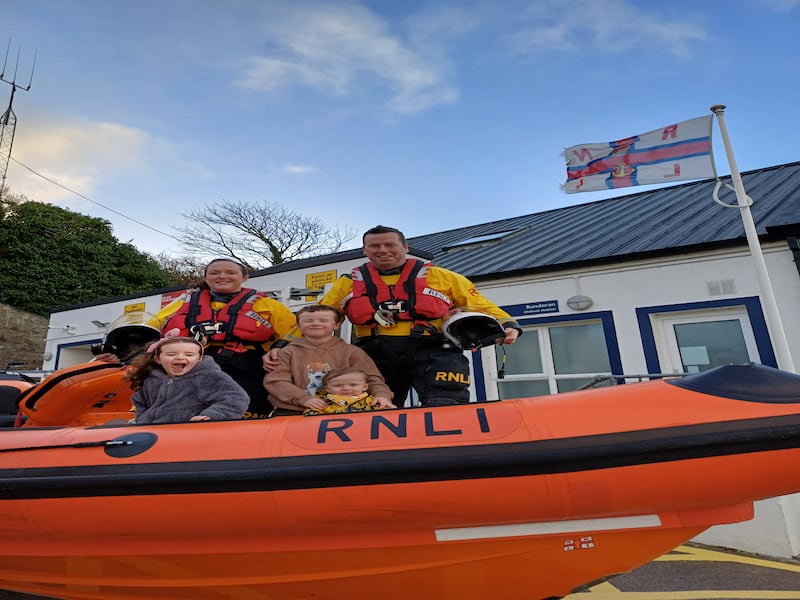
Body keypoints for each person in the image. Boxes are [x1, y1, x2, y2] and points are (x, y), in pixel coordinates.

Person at [267, 225, 521, 407]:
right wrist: (282, 345)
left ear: (405, 247)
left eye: (390, 244)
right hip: (375, 353)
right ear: (365, 250)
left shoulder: (443, 277)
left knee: (445, 400)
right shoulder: (346, 284)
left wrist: (509, 324)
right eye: (374, 246)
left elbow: (479, 303)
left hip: (433, 348)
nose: (382, 250)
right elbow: (316, 319)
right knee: (374, 403)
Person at [153, 258, 297, 419]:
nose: (222, 276)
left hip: (246, 365)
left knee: (246, 410)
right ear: (206, 278)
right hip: (192, 363)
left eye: (230, 272)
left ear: (244, 278)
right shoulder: (184, 302)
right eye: (214, 273)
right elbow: (150, 327)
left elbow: (294, 334)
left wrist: (279, 348)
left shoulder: (268, 305)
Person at [265, 305, 394, 415]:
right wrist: (303, 399)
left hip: (348, 411)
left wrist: (381, 395)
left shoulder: (353, 352)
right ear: (298, 326)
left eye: (323, 320)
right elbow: (276, 382)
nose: (315, 324)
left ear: (337, 325)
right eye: (308, 321)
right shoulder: (286, 353)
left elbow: (373, 379)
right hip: (294, 412)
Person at [125, 336, 249, 425]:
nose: (180, 357)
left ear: (199, 359)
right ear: (158, 359)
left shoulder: (208, 376)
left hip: (188, 433)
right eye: (171, 354)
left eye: (189, 355)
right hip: (155, 432)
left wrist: (212, 416)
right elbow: (140, 402)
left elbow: (236, 398)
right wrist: (141, 420)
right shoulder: (151, 379)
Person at [302, 367, 376, 416]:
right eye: (338, 386)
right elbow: (311, 417)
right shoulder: (322, 401)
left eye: (353, 385)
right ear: (327, 388)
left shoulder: (371, 401)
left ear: (365, 386)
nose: (346, 388)